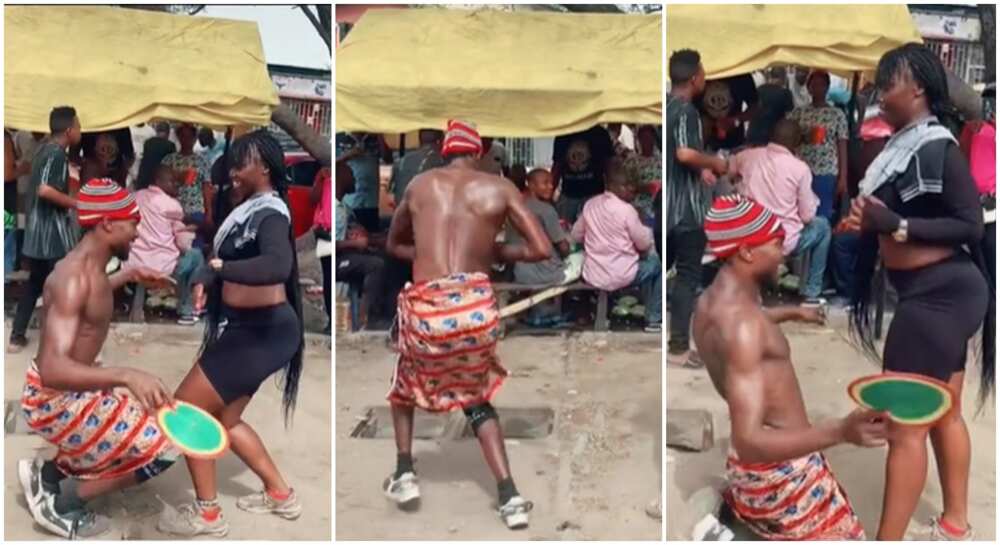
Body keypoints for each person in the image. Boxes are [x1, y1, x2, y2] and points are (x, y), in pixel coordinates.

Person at [844, 44, 993, 541]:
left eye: (890, 83)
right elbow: (894, 219)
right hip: (941, 294)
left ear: (920, 89)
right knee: (944, 413)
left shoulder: (937, 147)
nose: (881, 94)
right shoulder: (904, 146)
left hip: (938, 297)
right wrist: (868, 225)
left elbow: (970, 225)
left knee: (905, 427)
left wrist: (897, 225)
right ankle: (955, 523)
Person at [384, 119, 550, 529]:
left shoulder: (419, 186)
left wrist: (427, 252)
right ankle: (510, 496)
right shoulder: (499, 187)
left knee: (403, 389)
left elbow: (393, 244)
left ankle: (405, 473)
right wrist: (492, 253)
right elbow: (541, 248)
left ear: (444, 150)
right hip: (474, 305)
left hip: (427, 305)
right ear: (478, 153)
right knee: (475, 397)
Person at [693, 194, 889, 540]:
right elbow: (750, 440)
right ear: (747, 252)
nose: (783, 253)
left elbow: (747, 326)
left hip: (749, 471)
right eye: (776, 243)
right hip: (782, 476)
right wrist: (841, 431)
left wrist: (793, 312)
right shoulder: (745, 329)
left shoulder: (708, 305)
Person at [157, 130, 306, 537]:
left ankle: (207, 515)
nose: (234, 172)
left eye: (242, 164)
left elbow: (277, 266)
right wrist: (210, 273)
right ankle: (280, 494)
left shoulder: (271, 213)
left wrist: (219, 270)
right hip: (254, 331)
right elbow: (226, 259)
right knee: (226, 418)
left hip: (262, 332)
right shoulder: (249, 209)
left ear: (265, 166)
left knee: (185, 410)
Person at [16, 178, 179, 539]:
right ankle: (61, 504)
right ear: (107, 223)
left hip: (74, 389)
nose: (137, 234)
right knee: (165, 447)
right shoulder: (72, 277)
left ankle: (48, 474)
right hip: (54, 400)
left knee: (144, 416)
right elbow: (53, 369)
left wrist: (132, 274)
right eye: (132, 224)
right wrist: (126, 375)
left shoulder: (92, 267)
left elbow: (94, 293)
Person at [665, 49, 728, 368]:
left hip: (665, 207)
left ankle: (664, 330)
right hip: (686, 211)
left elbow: (681, 159)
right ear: (694, 78)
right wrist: (714, 162)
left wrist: (699, 169)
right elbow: (685, 154)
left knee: (671, 274)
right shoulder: (687, 112)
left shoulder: (665, 108)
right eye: (703, 73)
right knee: (688, 277)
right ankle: (678, 348)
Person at [730, 119, 831, 305]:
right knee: (823, 226)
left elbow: (728, 172)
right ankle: (812, 292)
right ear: (796, 143)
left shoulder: (746, 156)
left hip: (748, 237)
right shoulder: (800, 168)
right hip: (782, 241)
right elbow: (807, 216)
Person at [8, 107, 83, 354]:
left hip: (38, 232)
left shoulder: (44, 149)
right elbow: (45, 190)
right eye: (79, 127)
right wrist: (75, 203)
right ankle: (57, 345)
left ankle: (18, 336)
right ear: (70, 130)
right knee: (61, 286)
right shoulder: (55, 153)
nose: (80, 131)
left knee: (36, 282)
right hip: (50, 234)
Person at [572, 163, 661, 332]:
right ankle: (654, 319)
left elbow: (576, 235)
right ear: (614, 186)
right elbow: (643, 243)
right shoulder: (627, 210)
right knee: (657, 264)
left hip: (594, 274)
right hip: (623, 275)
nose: (631, 191)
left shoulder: (590, 205)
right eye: (627, 186)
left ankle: (597, 313)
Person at [123, 165, 204, 324]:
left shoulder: (134, 197)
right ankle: (187, 310)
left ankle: (137, 306)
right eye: (172, 181)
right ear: (159, 181)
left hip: (132, 263)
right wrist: (190, 233)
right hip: (162, 267)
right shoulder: (171, 205)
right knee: (196, 255)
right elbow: (182, 242)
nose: (177, 185)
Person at [507, 168, 581, 326]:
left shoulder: (514, 207)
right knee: (582, 258)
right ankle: (574, 307)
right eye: (545, 183)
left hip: (519, 273)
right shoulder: (546, 211)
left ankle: (542, 311)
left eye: (551, 183)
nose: (550, 187)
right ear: (531, 185)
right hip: (547, 275)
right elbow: (563, 248)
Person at [789, 70, 849, 222]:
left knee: (822, 215)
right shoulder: (798, 113)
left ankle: (821, 244)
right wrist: (804, 136)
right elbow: (787, 138)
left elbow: (842, 146)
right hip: (801, 170)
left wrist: (842, 178)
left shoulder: (837, 114)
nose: (818, 88)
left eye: (822, 85)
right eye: (814, 85)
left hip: (826, 172)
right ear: (809, 88)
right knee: (800, 214)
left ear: (827, 87)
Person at [335, 162, 389, 330]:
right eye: (350, 173)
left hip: (348, 256)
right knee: (376, 265)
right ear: (341, 177)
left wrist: (374, 239)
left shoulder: (345, 208)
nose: (354, 178)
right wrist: (353, 243)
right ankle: (367, 318)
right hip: (335, 262)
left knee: (384, 258)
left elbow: (358, 233)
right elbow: (326, 244)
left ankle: (377, 313)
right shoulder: (332, 208)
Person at [551, 125, 614, 223]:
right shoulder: (563, 134)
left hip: (594, 193)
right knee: (563, 228)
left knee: (595, 228)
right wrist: (550, 192)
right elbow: (557, 166)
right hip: (568, 193)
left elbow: (609, 165)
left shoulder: (600, 133)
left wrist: (611, 192)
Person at [162, 123, 213, 239]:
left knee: (195, 246)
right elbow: (162, 185)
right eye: (183, 136)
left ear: (195, 139)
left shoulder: (202, 161)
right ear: (178, 137)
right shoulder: (169, 160)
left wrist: (209, 214)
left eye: (190, 136)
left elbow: (206, 188)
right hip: (174, 211)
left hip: (196, 211)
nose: (186, 140)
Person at [336, 131, 382, 233]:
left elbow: (388, 158)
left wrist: (380, 136)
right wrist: (349, 155)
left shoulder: (374, 138)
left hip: (371, 201)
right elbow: (331, 163)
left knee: (371, 235)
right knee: (351, 236)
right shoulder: (339, 137)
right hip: (350, 202)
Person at [388, 129, 444, 208]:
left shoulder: (401, 161)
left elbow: (391, 196)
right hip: (426, 214)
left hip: (402, 212)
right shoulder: (442, 162)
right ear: (440, 141)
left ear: (419, 140)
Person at [311, 166, 333, 334]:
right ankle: (331, 321)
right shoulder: (323, 175)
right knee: (327, 277)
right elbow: (313, 199)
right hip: (324, 232)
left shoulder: (339, 172)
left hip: (337, 229)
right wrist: (320, 179)